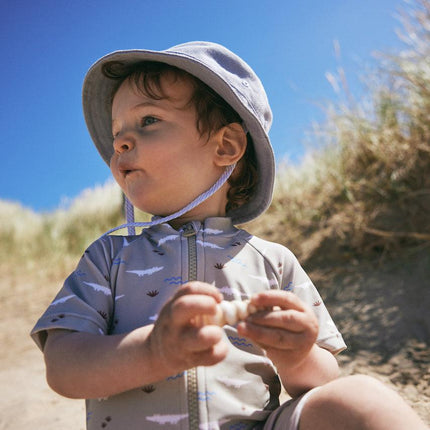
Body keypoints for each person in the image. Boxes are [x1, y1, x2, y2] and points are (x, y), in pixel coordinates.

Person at [31, 41, 428, 430]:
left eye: (148, 120)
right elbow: (64, 366)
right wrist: (154, 352)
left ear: (227, 145)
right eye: (117, 132)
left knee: (360, 398)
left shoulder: (274, 261)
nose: (119, 142)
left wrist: (298, 355)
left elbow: (320, 381)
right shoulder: (109, 256)